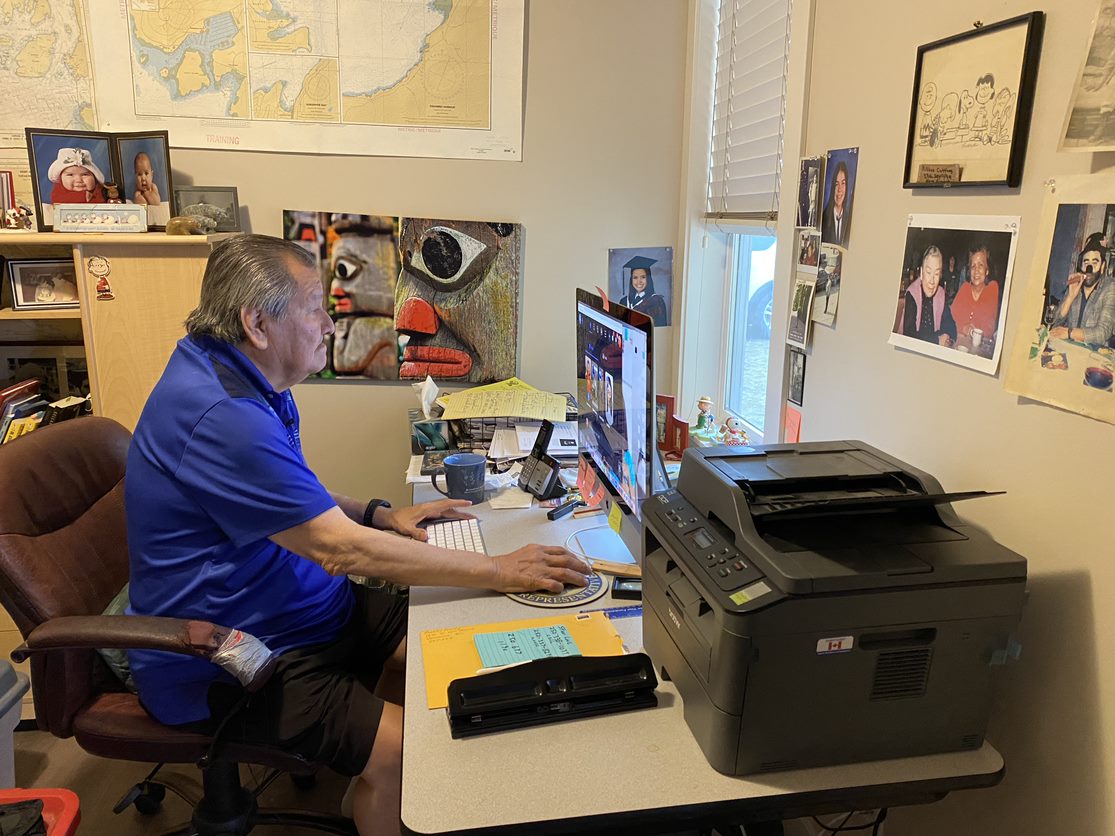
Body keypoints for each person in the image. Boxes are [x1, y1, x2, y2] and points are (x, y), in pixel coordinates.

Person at [125, 235, 590, 836]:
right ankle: (381, 782)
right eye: (315, 305)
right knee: (411, 753)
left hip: (301, 610)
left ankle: (365, 791)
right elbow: (335, 548)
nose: (330, 320)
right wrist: (502, 569)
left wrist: (381, 514)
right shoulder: (221, 414)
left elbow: (298, 499)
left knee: (449, 641)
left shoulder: (231, 371)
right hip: (233, 658)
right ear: (257, 323)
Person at [1050, 232, 1115, 346]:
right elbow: (1054, 324)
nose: (1089, 268)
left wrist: (1070, 333)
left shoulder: (1110, 288)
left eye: (1095, 262)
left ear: (1102, 266)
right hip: (1069, 347)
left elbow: (1103, 333)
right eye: (1086, 262)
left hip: (1094, 353)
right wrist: (1070, 297)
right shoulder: (1076, 284)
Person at [902, 245, 956, 346]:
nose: (932, 281)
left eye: (936, 274)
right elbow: (909, 335)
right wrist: (936, 340)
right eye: (928, 272)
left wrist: (947, 338)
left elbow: (950, 325)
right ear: (921, 273)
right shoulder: (912, 293)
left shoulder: (940, 294)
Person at [950, 245, 1000, 342]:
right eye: (973, 266)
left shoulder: (992, 288)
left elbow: (989, 330)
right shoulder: (965, 288)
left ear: (987, 271)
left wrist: (971, 329)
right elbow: (950, 320)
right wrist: (964, 328)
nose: (976, 270)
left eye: (980, 265)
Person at [617, 255, 669, 326]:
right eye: (635, 277)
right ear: (631, 280)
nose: (639, 281)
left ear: (648, 279)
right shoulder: (624, 302)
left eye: (643, 277)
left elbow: (660, 328)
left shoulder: (656, 302)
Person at [820, 160, 851, 247]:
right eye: (836, 184)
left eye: (843, 183)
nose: (839, 189)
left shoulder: (848, 219)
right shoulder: (824, 219)